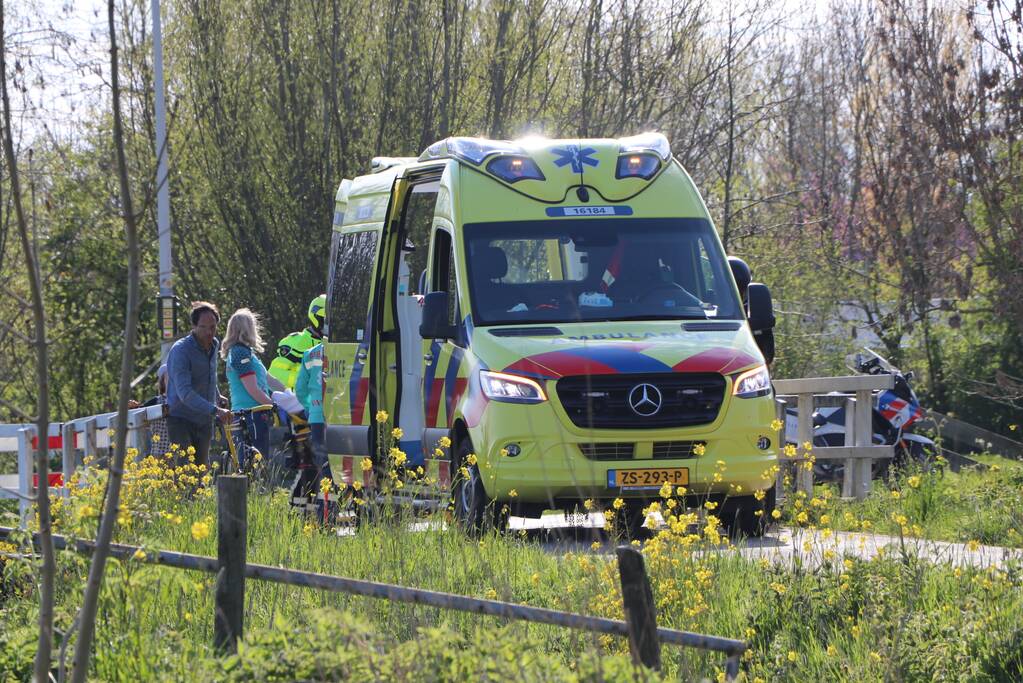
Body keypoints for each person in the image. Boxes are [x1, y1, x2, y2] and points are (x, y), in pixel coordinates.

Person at [166, 301, 230, 467]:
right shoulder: (181, 351)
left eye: (213, 327)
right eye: (204, 327)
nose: (209, 332)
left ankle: (196, 493)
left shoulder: (214, 345)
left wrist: (217, 396)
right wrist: (216, 410)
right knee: (185, 472)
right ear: (194, 326)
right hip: (181, 419)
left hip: (204, 420)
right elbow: (185, 393)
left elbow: (208, 375)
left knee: (201, 472)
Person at [222, 308, 274, 467]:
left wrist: (288, 394)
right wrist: (274, 405)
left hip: (253, 412)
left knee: (256, 462)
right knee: (256, 464)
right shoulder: (239, 353)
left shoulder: (246, 352)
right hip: (250, 413)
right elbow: (252, 388)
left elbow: (268, 379)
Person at [268, 294, 326, 390]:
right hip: (299, 402)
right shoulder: (295, 342)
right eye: (326, 320)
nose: (330, 325)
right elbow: (275, 373)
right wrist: (304, 381)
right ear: (317, 318)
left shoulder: (334, 345)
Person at [294, 341, 332, 482]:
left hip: (317, 415)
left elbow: (300, 389)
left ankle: (325, 502)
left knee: (322, 463)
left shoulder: (310, 354)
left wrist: (310, 408)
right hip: (342, 414)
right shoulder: (343, 348)